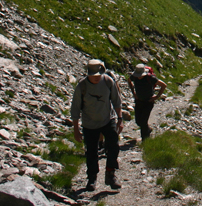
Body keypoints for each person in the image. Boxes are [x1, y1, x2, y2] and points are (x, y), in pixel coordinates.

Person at [70, 59, 123, 191]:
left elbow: (117, 101)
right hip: (89, 124)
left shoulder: (108, 81)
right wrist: (76, 130)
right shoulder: (81, 86)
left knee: (113, 145)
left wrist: (120, 119)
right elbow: (75, 109)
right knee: (91, 151)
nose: (96, 78)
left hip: (107, 119)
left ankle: (110, 174)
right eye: (93, 76)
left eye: (98, 76)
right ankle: (92, 178)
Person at [128, 63, 166, 141]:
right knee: (138, 121)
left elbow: (163, 85)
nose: (139, 76)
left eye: (140, 75)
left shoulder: (150, 78)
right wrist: (133, 92)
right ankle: (148, 130)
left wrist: (157, 96)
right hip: (139, 101)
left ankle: (145, 140)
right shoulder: (134, 77)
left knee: (143, 122)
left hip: (148, 102)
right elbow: (129, 80)